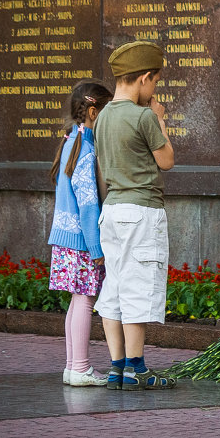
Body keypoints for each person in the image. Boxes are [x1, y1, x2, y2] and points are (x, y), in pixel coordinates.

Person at [94, 41, 178, 390]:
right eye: (155, 81)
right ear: (143, 78)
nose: (155, 89)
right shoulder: (144, 117)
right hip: (141, 211)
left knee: (113, 290)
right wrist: (160, 118)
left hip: (111, 211)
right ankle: (137, 369)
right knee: (137, 289)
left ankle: (116, 367)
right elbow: (167, 161)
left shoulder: (101, 118)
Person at [48, 79, 115, 387]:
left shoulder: (71, 142)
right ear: (92, 111)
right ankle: (80, 367)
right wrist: (97, 249)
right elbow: (88, 206)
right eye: (107, 112)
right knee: (85, 301)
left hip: (66, 238)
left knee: (77, 302)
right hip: (82, 241)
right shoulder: (85, 148)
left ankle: (72, 365)